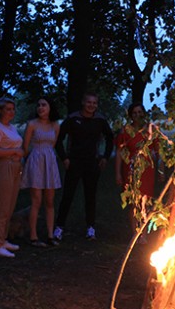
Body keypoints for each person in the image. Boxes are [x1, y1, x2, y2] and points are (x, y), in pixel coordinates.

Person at [54, 92, 113, 240]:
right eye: (89, 102)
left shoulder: (100, 120)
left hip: (92, 162)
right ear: (83, 102)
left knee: (90, 196)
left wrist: (105, 157)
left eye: (94, 103)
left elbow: (110, 138)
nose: (91, 105)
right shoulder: (73, 119)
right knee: (68, 195)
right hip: (74, 162)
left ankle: (91, 228)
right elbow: (59, 139)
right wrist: (64, 158)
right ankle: (59, 227)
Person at [20, 98, 61, 247]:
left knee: (49, 201)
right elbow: (25, 147)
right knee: (36, 200)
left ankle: (50, 235)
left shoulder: (55, 125)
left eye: (44, 104)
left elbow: (53, 143)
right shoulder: (32, 124)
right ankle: (33, 236)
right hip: (36, 161)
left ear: (50, 107)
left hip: (49, 161)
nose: (40, 107)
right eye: (38, 105)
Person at [115, 103, 159, 240]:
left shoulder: (150, 130)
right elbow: (120, 152)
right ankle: (135, 232)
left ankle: (144, 233)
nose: (137, 115)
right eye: (134, 113)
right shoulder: (125, 131)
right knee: (134, 201)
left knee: (145, 200)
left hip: (147, 169)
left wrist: (161, 169)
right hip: (131, 168)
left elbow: (157, 150)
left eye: (140, 112)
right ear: (130, 115)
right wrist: (117, 173)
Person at [0, 96, 23, 258]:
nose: (11, 112)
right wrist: (13, 152)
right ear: (0, 110)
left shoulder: (11, 128)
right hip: (3, 167)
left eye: (12, 109)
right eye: (7, 109)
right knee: (2, 205)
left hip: (15, 166)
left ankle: (3, 238)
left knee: (10, 204)